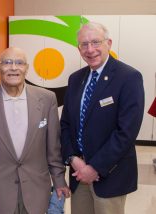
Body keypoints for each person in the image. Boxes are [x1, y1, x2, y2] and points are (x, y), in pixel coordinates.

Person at [0, 47, 70, 214]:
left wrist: (59, 180)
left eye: (19, 63)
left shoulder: (47, 99)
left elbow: (53, 148)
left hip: (37, 189)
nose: (13, 68)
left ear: (27, 68)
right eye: (7, 62)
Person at [60, 22, 145, 214]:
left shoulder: (128, 77)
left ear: (109, 43)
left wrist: (95, 167)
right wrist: (73, 159)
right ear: (78, 48)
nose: (90, 50)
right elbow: (65, 124)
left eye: (96, 42)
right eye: (84, 44)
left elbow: (127, 132)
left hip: (109, 175)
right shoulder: (75, 79)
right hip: (78, 173)